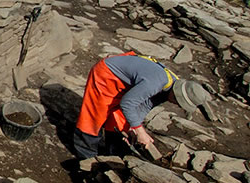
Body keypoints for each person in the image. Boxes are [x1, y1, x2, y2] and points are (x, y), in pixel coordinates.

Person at [72, 52, 211, 159]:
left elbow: (144, 106)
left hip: (126, 83)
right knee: (93, 118)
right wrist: (140, 131)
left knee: (122, 122)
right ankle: (86, 157)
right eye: (178, 102)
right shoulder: (156, 84)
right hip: (107, 74)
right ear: (176, 95)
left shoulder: (171, 86)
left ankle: (112, 155)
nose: (176, 105)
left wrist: (133, 128)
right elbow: (127, 103)